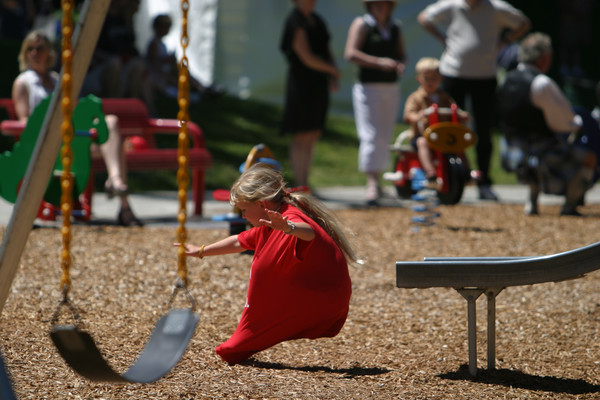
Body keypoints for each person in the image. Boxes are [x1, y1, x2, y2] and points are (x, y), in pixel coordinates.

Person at [174, 164, 355, 365]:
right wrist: (201, 250)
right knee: (234, 348)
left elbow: (310, 232)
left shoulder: (288, 217)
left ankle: (244, 341)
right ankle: (242, 342)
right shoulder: (268, 225)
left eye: (243, 210)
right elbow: (238, 241)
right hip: (310, 294)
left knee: (235, 348)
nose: (243, 216)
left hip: (317, 297)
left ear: (262, 204)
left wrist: (288, 227)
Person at [12, 30, 143, 226]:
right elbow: (24, 121)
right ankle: (125, 207)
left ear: (49, 52)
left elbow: (72, 113)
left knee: (111, 123)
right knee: (112, 147)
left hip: (69, 140)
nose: (34, 53)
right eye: (30, 49)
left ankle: (115, 182)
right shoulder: (24, 82)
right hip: (45, 145)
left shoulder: (56, 79)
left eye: (39, 48)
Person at [418, 0, 530, 201]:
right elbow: (424, 18)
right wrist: (444, 39)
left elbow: (523, 23)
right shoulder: (451, 5)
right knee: (448, 126)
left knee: (484, 129)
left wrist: (504, 41)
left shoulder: (495, 8)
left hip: (485, 76)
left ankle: (484, 181)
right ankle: (449, 177)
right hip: (453, 73)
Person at [496, 32, 597, 216]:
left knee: (535, 146)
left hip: (510, 149)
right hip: (538, 150)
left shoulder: (506, 79)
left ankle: (532, 203)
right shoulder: (541, 83)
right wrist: (578, 124)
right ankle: (569, 207)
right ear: (544, 59)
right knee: (589, 157)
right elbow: (564, 123)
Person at [345, 0, 406, 206]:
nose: (380, 7)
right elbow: (350, 53)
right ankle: (371, 182)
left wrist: (399, 65)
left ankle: (378, 180)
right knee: (370, 133)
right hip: (368, 87)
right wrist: (379, 62)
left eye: (384, 4)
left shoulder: (395, 27)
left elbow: (402, 54)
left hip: (390, 87)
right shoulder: (362, 24)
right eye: (376, 4)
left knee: (385, 133)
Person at [279, 0, 339, 189]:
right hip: (302, 82)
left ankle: (305, 183)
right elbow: (305, 56)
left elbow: (327, 50)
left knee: (313, 132)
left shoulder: (317, 20)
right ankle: (300, 182)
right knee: (301, 133)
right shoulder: (295, 20)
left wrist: (332, 72)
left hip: (318, 82)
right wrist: (332, 70)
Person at [403, 57, 468, 188]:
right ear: (419, 79)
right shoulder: (416, 98)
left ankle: (465, 171)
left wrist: (462, 115)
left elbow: (453, 108)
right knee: (423, 143)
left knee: (458, 142)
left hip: (442, 134)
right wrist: (417, 116)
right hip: (422, 135)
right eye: (426, 78)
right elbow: (408, 114)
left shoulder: (444, 96)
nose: (430, 82)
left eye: (434, 78)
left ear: (440, 79)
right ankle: (430, 171)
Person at [145, 14, 223, 103]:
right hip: (160, 75)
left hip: (165, 73)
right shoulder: (154, 44)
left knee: (183, 71)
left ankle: (201, 89)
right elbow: (153, 62)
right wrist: (168, 60)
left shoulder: (160, 43)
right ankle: (201, 90)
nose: (167, 30)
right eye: (165, 27)